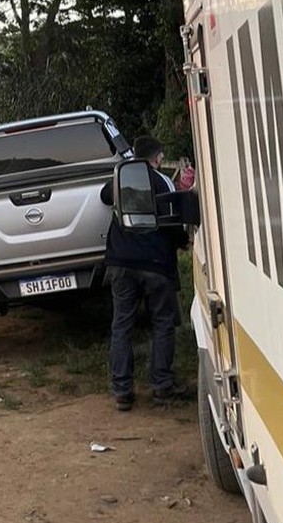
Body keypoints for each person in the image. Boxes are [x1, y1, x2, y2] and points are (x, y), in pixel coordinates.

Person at [101, 136, 189, 412]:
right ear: (158, 159)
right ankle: (162, 385)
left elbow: (104, 197)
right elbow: (175, 221)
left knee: (122, 324)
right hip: (155, 263)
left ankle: (122, 390)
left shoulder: (121, 177)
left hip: (121, 262)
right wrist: (182, 243)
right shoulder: (162, 182)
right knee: (162, 322)